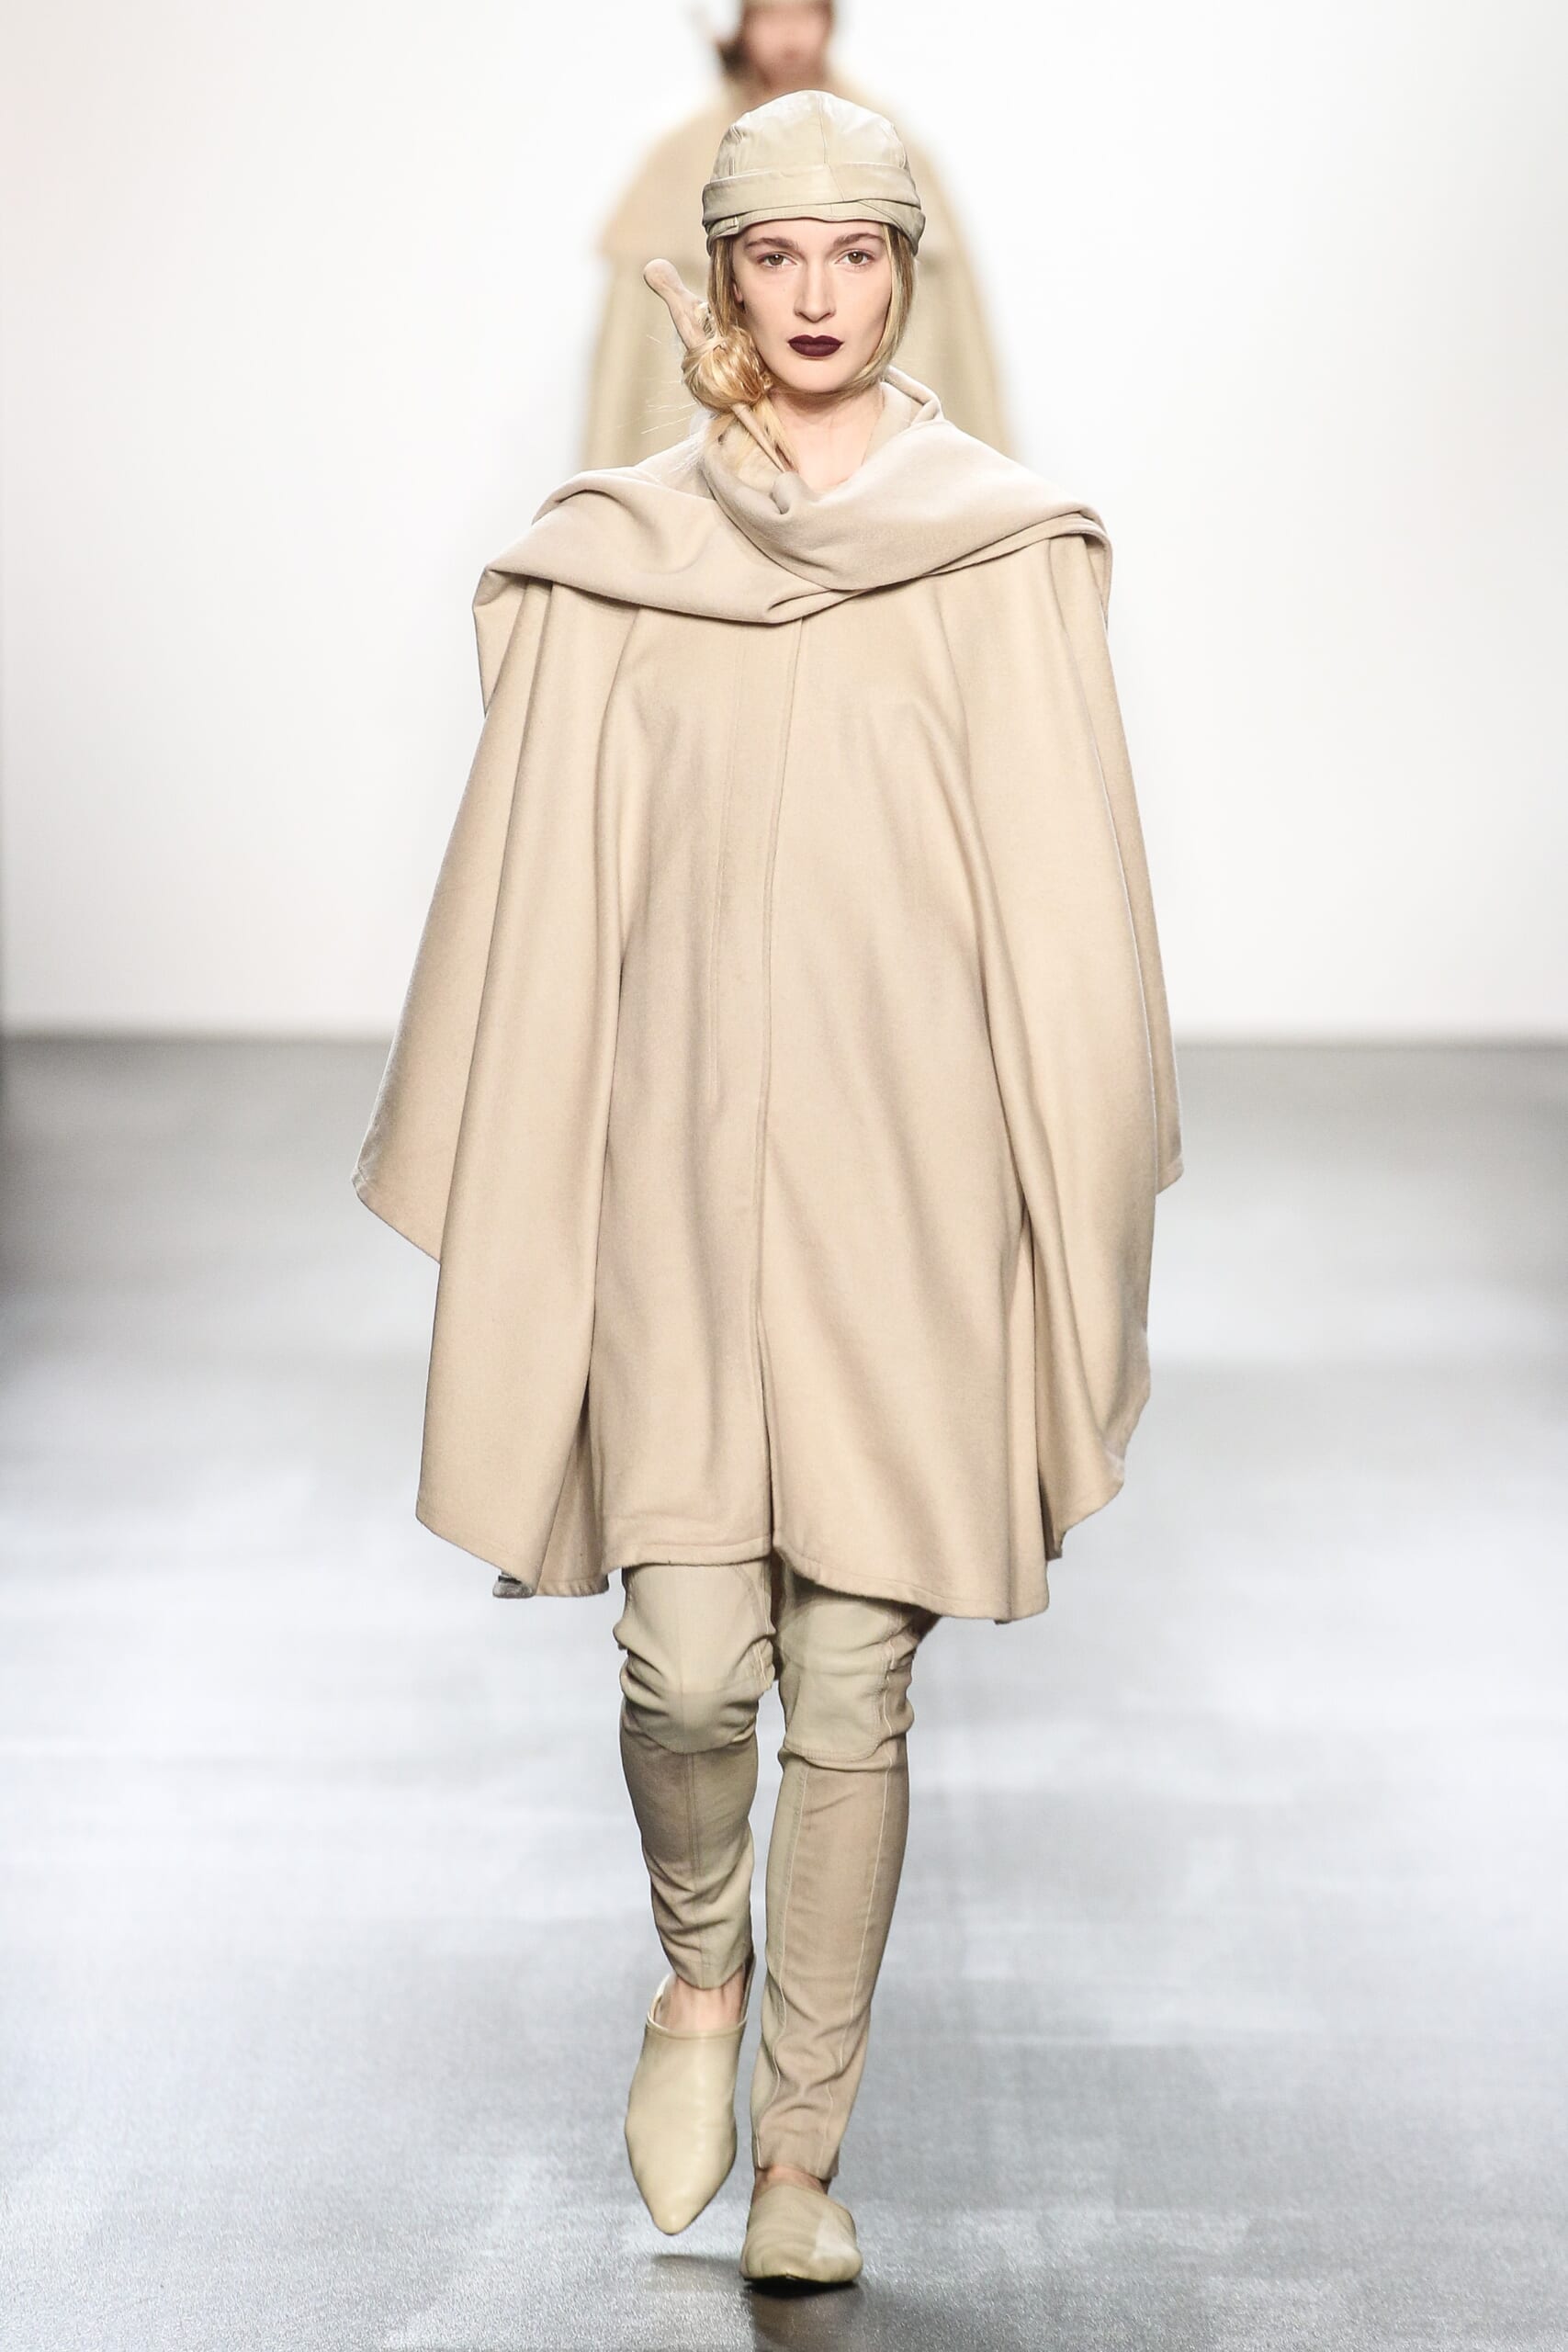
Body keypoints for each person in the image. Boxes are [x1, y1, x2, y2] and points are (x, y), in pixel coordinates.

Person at [355, 89, 1181, 2290]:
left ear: (906, 272)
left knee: (853, 1676)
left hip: (906, 1184)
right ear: (720, 275)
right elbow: (545, 875)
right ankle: (696, 1971)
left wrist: (1064, 1179)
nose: (817, 296)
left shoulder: (1001, 552)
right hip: (677, 1185)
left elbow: (1070, 915)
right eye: (775, 257)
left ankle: (802, 2147)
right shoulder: (621, 556)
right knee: (690, 1668)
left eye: (854, 253)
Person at [581, 0, 1011, 466]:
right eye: (771, 16)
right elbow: (629, 362)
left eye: (806, 14)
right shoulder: (679, 156)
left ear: (830, 21)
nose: (790, 37)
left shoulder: (890, 147)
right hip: (708, 464)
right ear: (744, 25)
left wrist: (969, 477)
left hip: (884, 461)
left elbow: (953, 345)